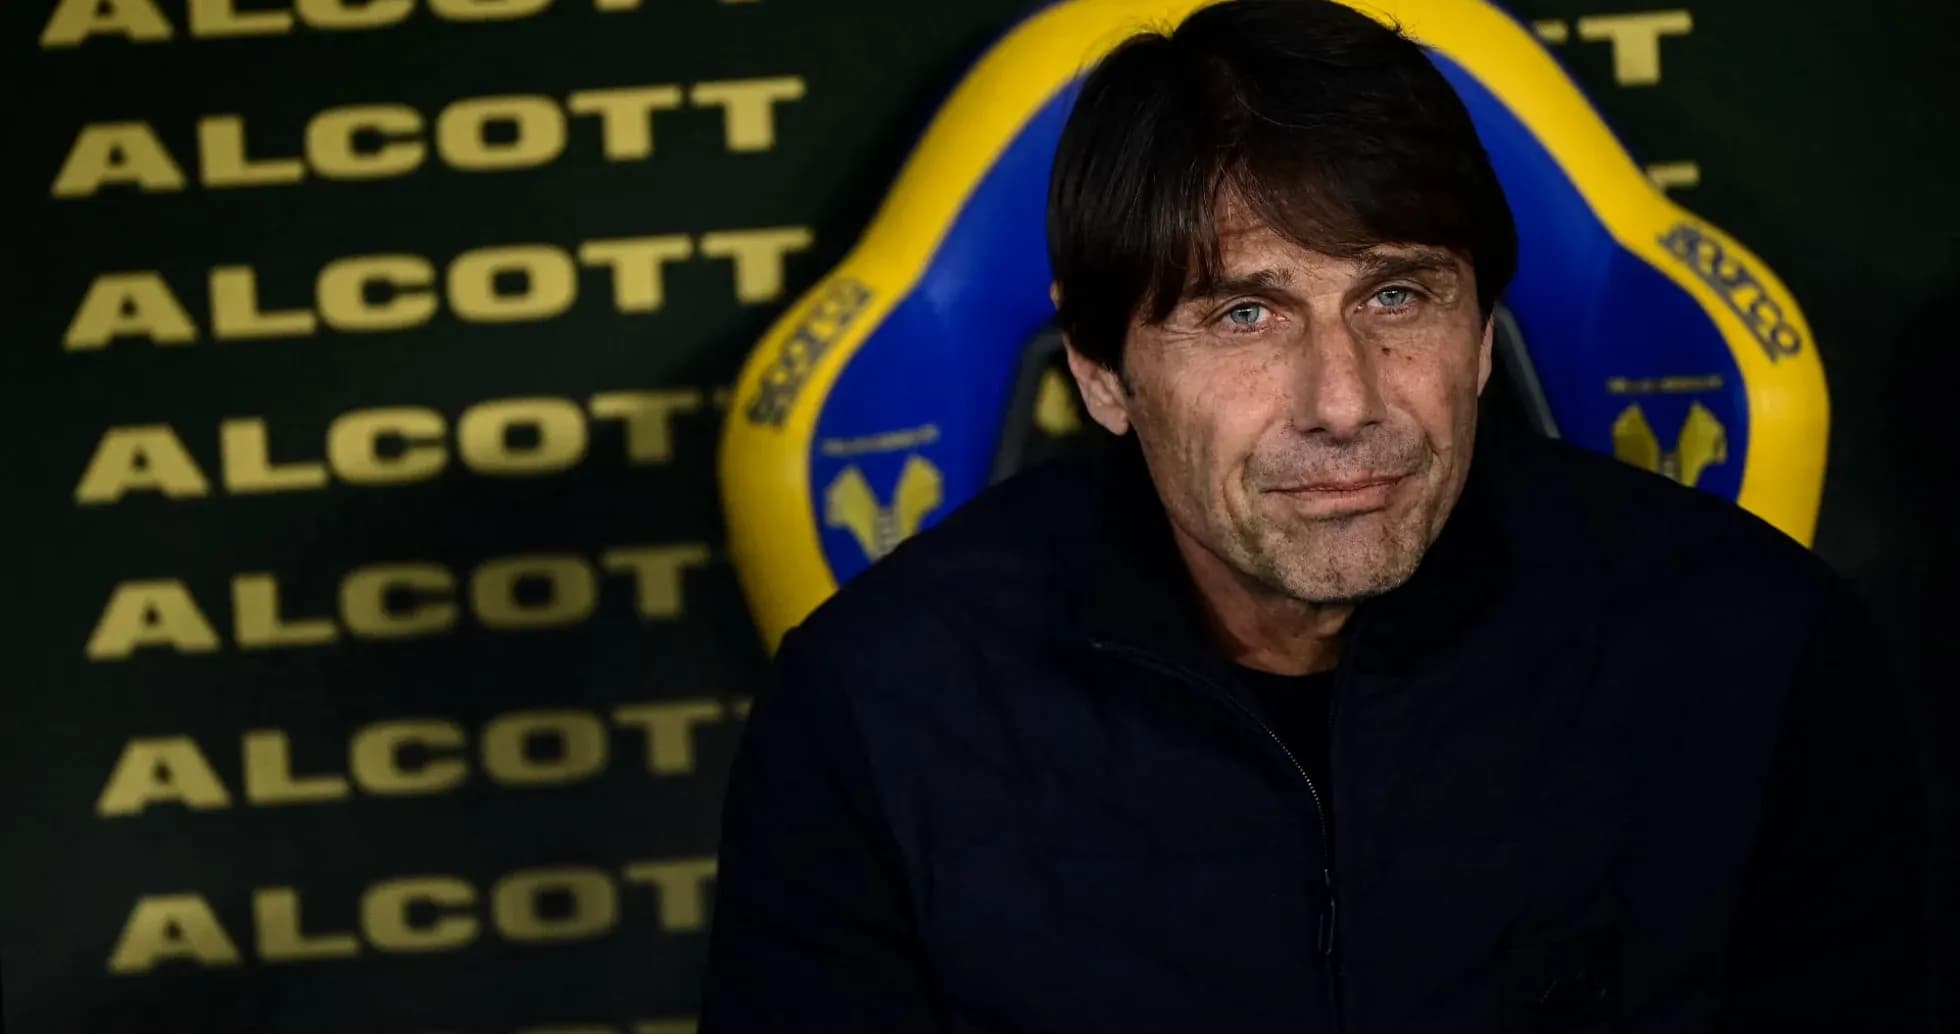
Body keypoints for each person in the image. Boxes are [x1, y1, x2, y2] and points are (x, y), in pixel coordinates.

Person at [700, 1, 1931, 1030]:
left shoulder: (1758, 650)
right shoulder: (877, 706)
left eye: (1397, 294)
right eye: (1244, 314)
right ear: (1098, 367)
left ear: (1483, 329)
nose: (1343, 402)